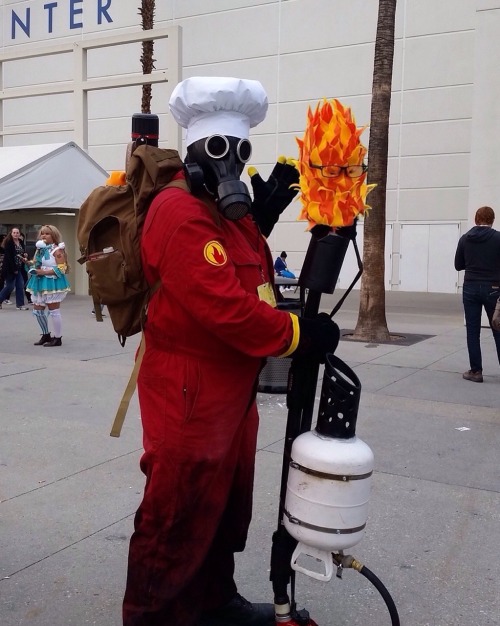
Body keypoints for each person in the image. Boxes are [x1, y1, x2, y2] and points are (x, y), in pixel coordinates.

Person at [122, 76, 340, 626]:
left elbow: (253, 281)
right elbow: (223, 307)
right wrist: (298, 335)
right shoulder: (178, 211)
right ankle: (154, 616)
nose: (231, 165)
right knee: (176, 509)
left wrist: (256, 223)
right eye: (218, 151)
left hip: (230, 392)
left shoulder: (227, 214)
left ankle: (213, 602)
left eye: (240, 152)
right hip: (188, 390)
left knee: (222, 503)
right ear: (192, 153)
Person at [454, 206, 500, 382]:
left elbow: (458, 265)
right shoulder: (498, 238)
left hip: (471, 287)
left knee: (473, 331)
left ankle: (476, 371)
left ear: (475, 219)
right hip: (494, 289)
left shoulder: (465, 239)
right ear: (492, 220)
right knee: (498, 328)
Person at [26, 225, 71, 347]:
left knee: (54, 311)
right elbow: (36, 264)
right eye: (42, 234)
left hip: (52, 282)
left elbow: (62, 268)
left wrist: (44, 272)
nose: (44, 236)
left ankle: (57, 338)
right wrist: (28, 263)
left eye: (47, 234)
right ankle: (45, 335)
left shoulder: (57, 250)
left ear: (54, 235)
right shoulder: (40, 250)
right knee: (38, 311)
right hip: (39, 282)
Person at [0, 227, 29, 310]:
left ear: (19, 234)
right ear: (11, 234)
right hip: (10, 268)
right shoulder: (9, 243)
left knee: (20, 285)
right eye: (14, 232)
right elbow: (9, 257)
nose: (16, 234)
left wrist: (25, 254)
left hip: (19, 267)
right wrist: (14, 269)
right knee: (10, 286)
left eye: (17, 233)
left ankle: (20, 305)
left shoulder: (20, 241)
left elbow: (22, 252)